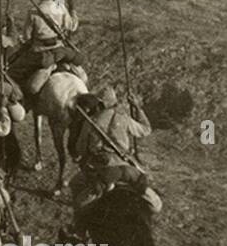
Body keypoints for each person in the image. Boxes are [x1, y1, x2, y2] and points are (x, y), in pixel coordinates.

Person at [68, 86, 160, 214]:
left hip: (102, 168)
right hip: (125, 165)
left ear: (100, 104)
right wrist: (137, 107)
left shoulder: (90, 121)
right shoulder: (124, 118)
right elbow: (146, 129)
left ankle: (79, 228)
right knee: (155, 204)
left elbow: (80, 149)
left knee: (75, 187)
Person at [22, 0, 81, 70]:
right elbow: (72, 26)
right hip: (59, 49)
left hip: (40, 52)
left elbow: (26, 36)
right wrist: (72, 9)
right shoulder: (60, 7)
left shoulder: (33, 12)